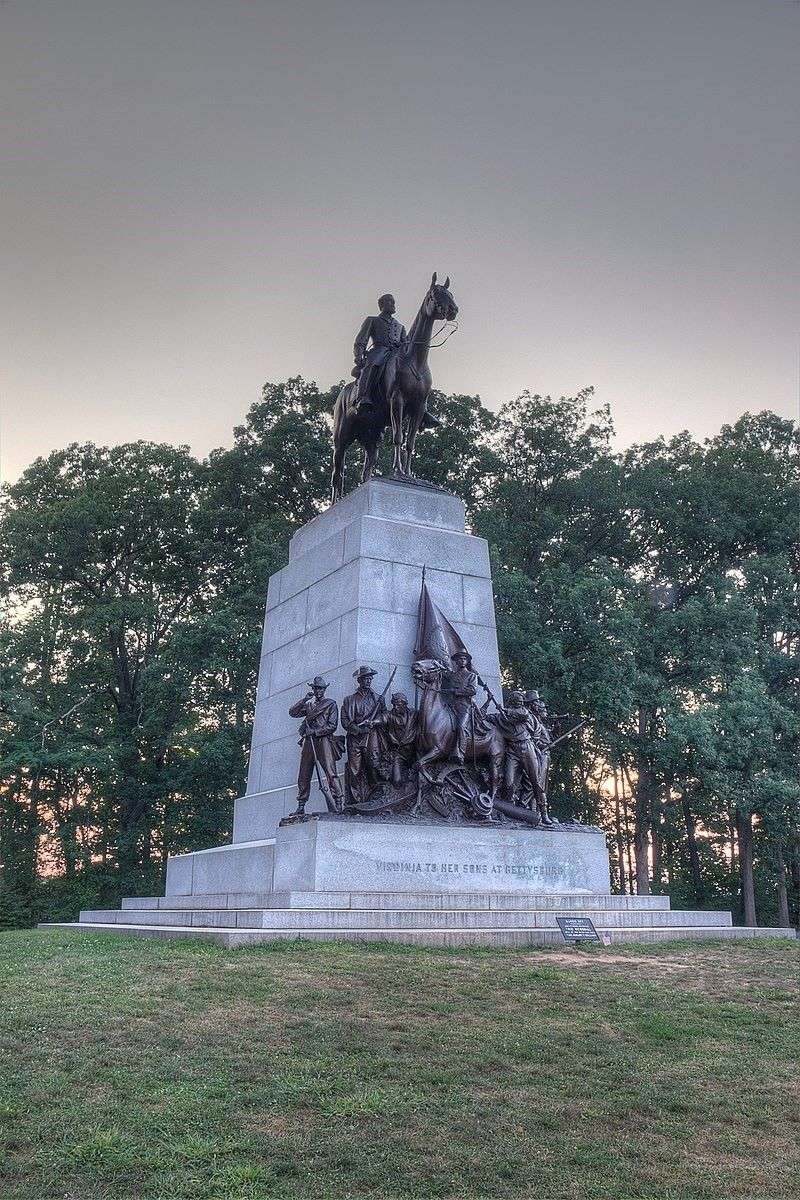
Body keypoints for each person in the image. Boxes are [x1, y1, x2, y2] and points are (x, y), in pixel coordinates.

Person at [352, 293, 440, 425]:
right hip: (379, 350)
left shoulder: (400, 327)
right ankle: (363, 397)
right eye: (389, 302)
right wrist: (359, 355)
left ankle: (423, 410)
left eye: (393, 302)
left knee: (419, 375)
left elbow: (406, 344)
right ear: (381, 305)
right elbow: (361, 340)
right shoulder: (372, 320)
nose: (393, 304)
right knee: (372, 364)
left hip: (396, 354)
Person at [288, 676, 343, 816]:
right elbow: (292, 712)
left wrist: (315, 731)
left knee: (331, 773)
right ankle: (301, 805)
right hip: (308, 742)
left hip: (323, 741)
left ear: (324, 689)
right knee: (304, 774)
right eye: (316, 688)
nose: (318, 691)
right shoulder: (308, 705)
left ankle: (338, 803)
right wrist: (304, 699)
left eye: (321, 688)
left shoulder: (331, 704)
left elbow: (332, 726)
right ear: (313, 689)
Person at [340, 665, 386, 805]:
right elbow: (344, 720)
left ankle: (376, 795)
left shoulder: (378, 698)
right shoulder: (349, 700)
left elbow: (385, 716)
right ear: (360, 680)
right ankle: (355, 801)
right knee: (355, 769)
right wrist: (357, 729)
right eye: (365, 678)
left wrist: (375, 722)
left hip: (372, 735)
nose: (368, 681)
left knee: (373, 764)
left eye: (370, 678)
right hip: (355, 737)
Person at [443, 649, 479, 765]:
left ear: (467, 661)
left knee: (461, 727)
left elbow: (472, 690)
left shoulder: (471, 676)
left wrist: (456, 691)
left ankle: (460, 753)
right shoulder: (451, 675)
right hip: (450, 705)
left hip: (465, 706)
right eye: (460, 659)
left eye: (464, 659)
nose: (462, 661)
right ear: (456, 662)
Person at [375, 692, 418, 786]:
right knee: (397, 781)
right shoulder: (390, 715)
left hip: (415, 753)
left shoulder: (414, 714)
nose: (395, 707)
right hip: (399, 754)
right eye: (393, 705)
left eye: (398, 705)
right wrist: (373, 722)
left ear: (404, 704)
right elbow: (382, 718)